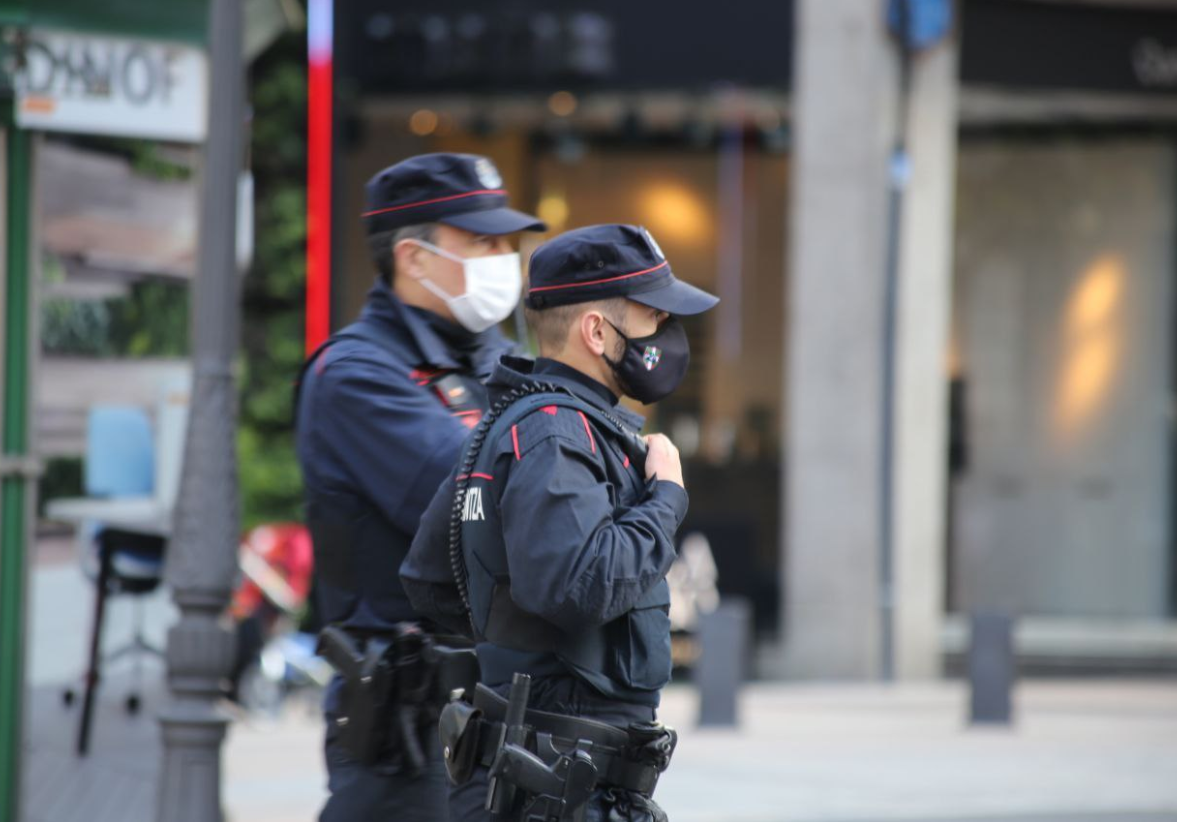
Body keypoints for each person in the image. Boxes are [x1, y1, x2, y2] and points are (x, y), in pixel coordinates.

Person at [402, 223, 719, 822]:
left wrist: (518, 651)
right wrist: (665, 498)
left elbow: (431, 579)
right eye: (653, 316)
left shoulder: (517, 423)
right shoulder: (553, 431)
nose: (668, 335)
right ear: (597, 331)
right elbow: (579, 585)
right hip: (560, 783)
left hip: (544, 770)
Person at [294, 152, 545, 821]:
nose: (503, 258)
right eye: (481, 242)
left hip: (500, 718)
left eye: (505, 243)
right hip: (407, 741)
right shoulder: (355, 375)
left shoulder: (498, 358)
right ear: (414, 257)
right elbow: (491, 501)